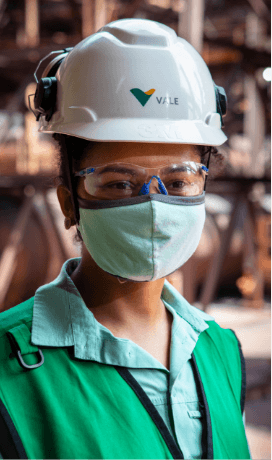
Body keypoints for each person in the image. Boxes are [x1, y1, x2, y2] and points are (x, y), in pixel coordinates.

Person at [0, 18, 251, 460]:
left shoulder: (221, 350)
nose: (153, 206)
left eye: (178, 181)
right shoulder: (8, 370)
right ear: (68, 202)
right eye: (117, 184)